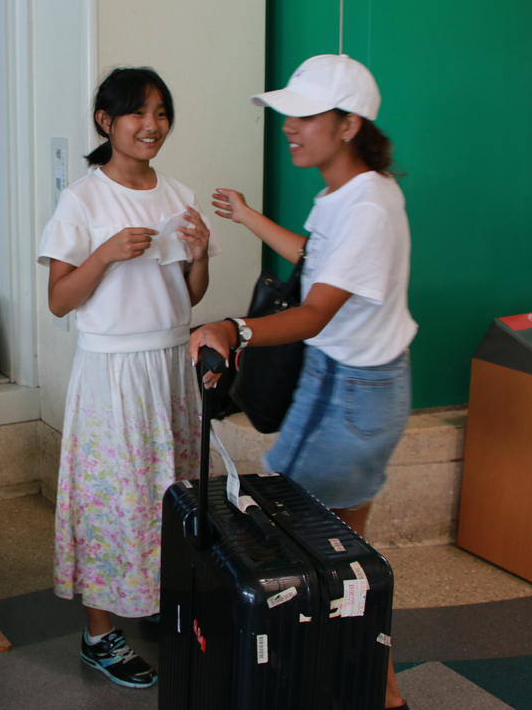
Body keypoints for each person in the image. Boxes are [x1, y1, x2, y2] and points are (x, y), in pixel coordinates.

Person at [188, 54, 414, 710]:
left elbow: (315, 310)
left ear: (348, 125)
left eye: (305, 115)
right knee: (345, 561)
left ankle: (339, 686)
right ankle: (379, 690)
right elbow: (318, 263)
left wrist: (235, 327)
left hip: (351, 394)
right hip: (349, 385)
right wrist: (250, 216)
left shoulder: (367, 205)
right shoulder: (348, 193)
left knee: (293, 550)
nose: (289, 126)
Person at [38, 67, 220, 689]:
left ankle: (164, 602)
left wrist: (197, 257)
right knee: (110, 499)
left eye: (162, 113)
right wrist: (106, 253)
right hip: (111, 372)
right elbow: (60, 300)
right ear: (105, 122)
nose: (152, 126)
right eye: (138, 114)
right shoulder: (82, 200)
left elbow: (190, 295)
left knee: (173, 496)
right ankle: (99, 634)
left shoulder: (179, 193)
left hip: (170, 366)